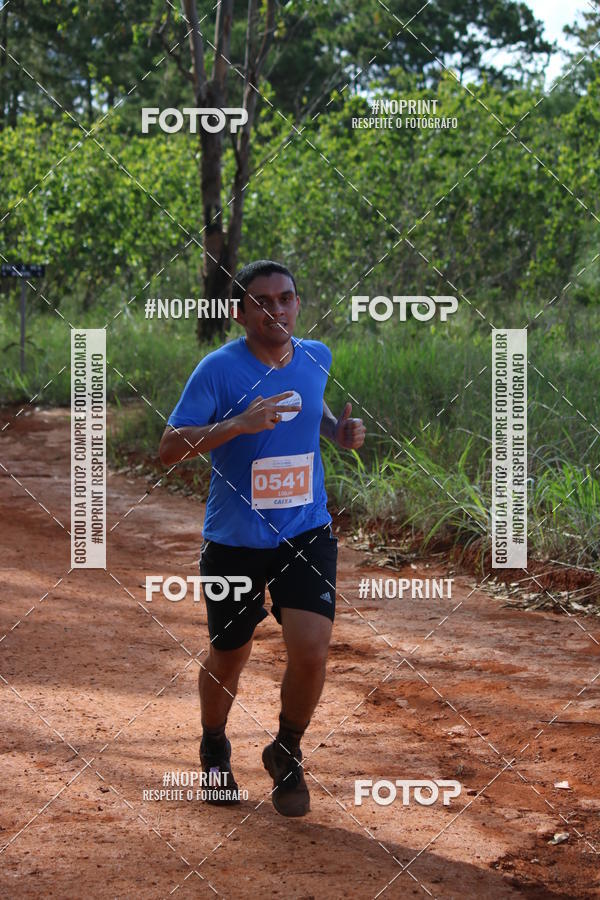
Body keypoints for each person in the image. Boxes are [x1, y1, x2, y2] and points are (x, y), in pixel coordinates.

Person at [159, 259, 365, 817]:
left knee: (312, 651)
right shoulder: (217, 370)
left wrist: (338, 433)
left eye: (286, 298)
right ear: (239, 310)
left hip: (306, 531)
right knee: (230, 653)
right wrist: (236, 424)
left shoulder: (316, 356)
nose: (276, 309)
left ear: (298, 303)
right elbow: (169, 446)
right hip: (234, 540)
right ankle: (214, 745)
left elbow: (311, 415)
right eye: (262, 301)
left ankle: (287, 749)